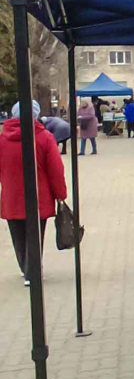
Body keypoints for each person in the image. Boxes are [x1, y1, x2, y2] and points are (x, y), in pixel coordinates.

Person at [0, 100, 67, 286]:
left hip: (11, 197)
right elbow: (55, 169)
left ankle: (25, 267)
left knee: (18, 235)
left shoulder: (2, 138)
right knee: (35, 235)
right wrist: (60, 194)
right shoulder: (44, 137)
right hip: (39, 197)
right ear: (36, 116)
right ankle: (32, 271)